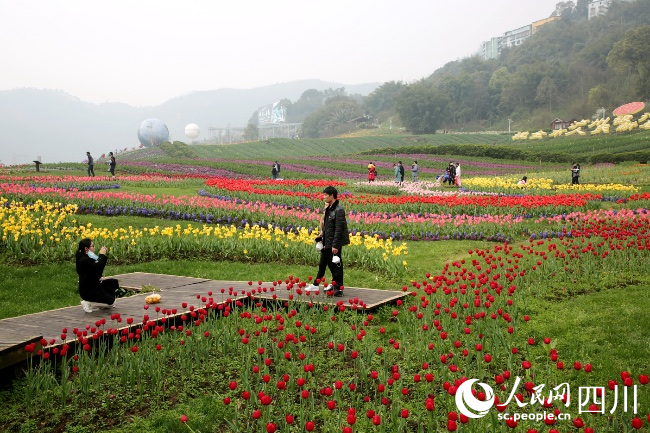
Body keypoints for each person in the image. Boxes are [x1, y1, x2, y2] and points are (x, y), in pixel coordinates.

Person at [305, 186, 350, 297]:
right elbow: (328, 226)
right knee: (323, 264)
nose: (323, 197)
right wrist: (322, 233)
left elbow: (339, 229)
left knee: (335, 266)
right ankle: (320, 284)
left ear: (332, 196)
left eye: (325, 195)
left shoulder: (339, 210)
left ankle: (338, 288)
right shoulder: (330, 209)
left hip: (333, 243)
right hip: (326, 241)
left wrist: (335, 245)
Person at [76, 238, 124, 313]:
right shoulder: (84, 260)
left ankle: (101, 303)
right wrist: (102, 255)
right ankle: (89, 303)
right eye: (92, 246)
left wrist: (101, 257)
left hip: (93, 286)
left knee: (113, 283)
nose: (94, 248)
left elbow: (97, 269)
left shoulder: (86, 258)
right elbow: (99, 266)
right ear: (86, 248)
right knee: (111, 303)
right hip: (88, 291)